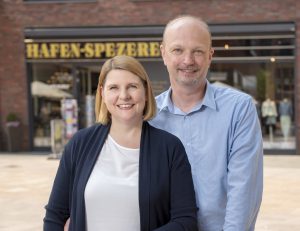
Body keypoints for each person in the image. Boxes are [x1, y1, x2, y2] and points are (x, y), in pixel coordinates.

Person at [43, 55, 198, 231]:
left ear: (146, 92)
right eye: (113, 88)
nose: (124, 96)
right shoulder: (80, 144)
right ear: (102, 93)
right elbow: (55, 216)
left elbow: (186, 220)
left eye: (132, 86)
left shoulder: (169, 148)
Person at [150, 15, 263, 231]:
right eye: (178, 50)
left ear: (210, 56)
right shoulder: (148, 116)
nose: (188, 60)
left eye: (198, 51)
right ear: (163, 53)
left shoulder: (239, 109)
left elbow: (243, 190)